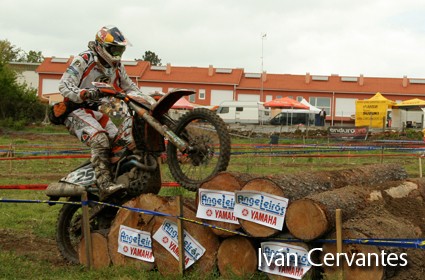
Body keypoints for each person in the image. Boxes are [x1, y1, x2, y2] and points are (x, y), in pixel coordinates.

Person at [58, 25, 155, 200]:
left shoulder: (117, 66)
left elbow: (131, 88)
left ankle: (118, 178)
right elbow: (64, 84)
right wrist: (83, 93)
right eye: (114, 50)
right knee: (100, 139)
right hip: (74, 110)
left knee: (122, 141)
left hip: (96, 113)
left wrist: (150, 101)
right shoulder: (84, 59)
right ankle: (104, 185)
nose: (117, 55)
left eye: (120, 50)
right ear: (101, 46)